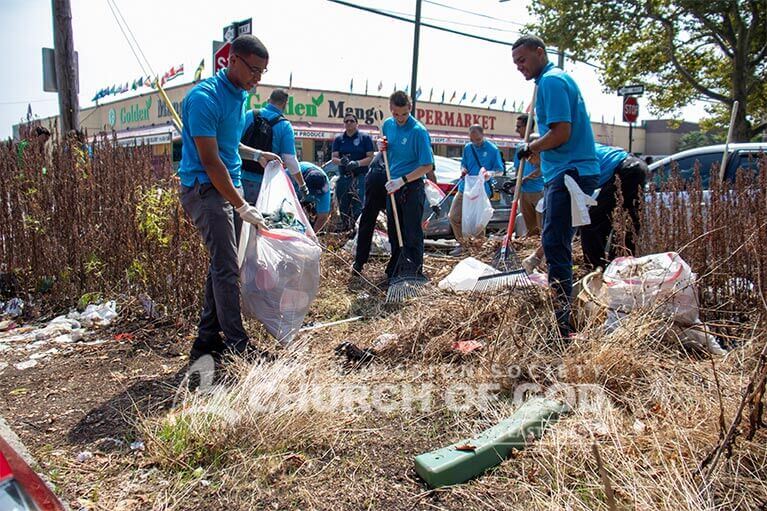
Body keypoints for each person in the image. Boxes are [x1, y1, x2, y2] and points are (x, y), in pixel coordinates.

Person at [177, 35, 281, 362]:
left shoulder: (239, 96)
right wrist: (240, 204)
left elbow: (228, 145)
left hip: (228, 185)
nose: (257, 78)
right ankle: (238, 346)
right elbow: (211, 160)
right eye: (253, 69)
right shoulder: (203, 99)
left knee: (223, 265)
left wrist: (257, 154)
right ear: (231, 60)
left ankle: (206, 341)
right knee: (226, 269)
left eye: (262, 72)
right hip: (206, 188)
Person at [512, 35, 600, 338]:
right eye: (516, 63)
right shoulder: (549, 82)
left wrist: (531, 146)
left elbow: (562, 132)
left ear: (540, 52)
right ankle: (563, 313)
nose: (520, 67)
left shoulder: (551, 81)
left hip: (570, 172)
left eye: (523, 60)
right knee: (555, 240)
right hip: (565, 171)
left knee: (555, 244)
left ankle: (562, 322)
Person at [380, 91, 434, 282]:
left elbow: (427, 166)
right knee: (394, 232)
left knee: (412, 233)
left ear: (410, 108)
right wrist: (382, 147)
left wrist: (403, 180)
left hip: (411, 186)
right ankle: (396, 269)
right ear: (391, 109)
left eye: (404, 114)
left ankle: (414, 271)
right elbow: (389, 150)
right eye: (396, 114)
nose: (400, 118)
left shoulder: (418, 132)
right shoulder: (387, 125)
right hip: (392, 185)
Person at [581, 143, 648, 269]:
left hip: (626, 169)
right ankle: (623, 267)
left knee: (591, 223)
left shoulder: (564, 160)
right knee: (627, 223)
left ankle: (596, 270)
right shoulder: (576, 147)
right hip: (636, 166)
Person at [240, 89, 308, 206]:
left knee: (240, 219)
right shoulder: (285, 125)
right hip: (265, 183)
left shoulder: (249, 114)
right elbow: (290, 160)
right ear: (285, 104)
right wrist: (302, 185)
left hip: (240, 178)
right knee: (260, 221)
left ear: (268, 100)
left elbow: (235, 144)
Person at [448, 124, 503, 256]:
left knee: (478, 221)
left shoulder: (492, 149)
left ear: (483, 135)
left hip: (481, 189)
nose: (475, 143)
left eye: (477, 140)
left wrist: (489, 174)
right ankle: (463, 243)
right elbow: (464, 164)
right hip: (465, 188)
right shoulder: (468, 148)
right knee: (453, 216)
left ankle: (477, 248)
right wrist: (463, 170)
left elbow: (500, 170)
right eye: (472, 140)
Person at [331, 113, 375, 231]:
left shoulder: (365, 138)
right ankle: (346, 229)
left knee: (358, 205)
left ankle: (357, 230)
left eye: (351, 121)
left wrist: (357, 163)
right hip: (344, 176)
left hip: (360, 176)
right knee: (343, 205)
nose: (349, 123)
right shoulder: (339, 139)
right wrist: (342, 161)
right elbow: (334, 158)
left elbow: (370, 158)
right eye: (346, 121)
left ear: (357, 123)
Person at [352, 152, 387, 275]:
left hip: (375, 177)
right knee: (395, 222)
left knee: (367, 220)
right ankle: (396, 266)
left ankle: (359, 262)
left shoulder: (386, 148)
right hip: (386, 179)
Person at [514, 113, 544, 236]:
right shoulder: (520, 147)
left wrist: (526, 178)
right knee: (531, 229)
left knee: (542, 227)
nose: (516, 130)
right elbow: (517, 169)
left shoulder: (539, 142)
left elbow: (541, 167)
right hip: (524, 192)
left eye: (519, 127)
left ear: (527, 127)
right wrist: (516, 182)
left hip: (538, 191)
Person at [295, 161, 332, 232]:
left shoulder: (323, 182)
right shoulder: (291, 173)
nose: (320, 194)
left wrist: (312, 234)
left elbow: (323, 216)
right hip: (295, 191)